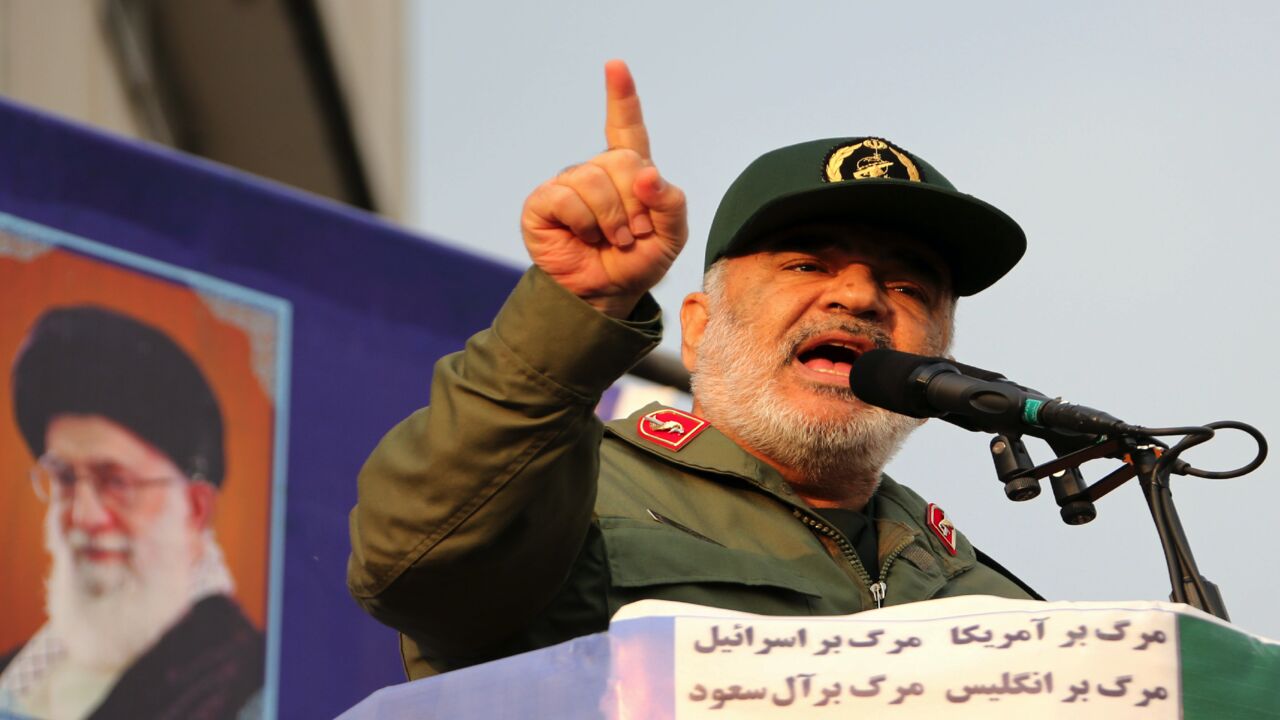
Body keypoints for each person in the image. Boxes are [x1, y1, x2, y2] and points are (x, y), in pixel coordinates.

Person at [347, 60, 1037, 680]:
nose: (859, 297)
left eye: (910, 288)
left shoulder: (994, 606)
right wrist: (576, 309)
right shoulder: (571, 493)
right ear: (700, 328)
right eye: (806, 264)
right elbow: (415, 560)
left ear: (941, 351)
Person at [0, 306, 263, 719]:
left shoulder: (245, 685)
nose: (83, 516)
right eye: (66, 479)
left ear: (194, 510)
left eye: (116, 482)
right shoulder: (16, 674)